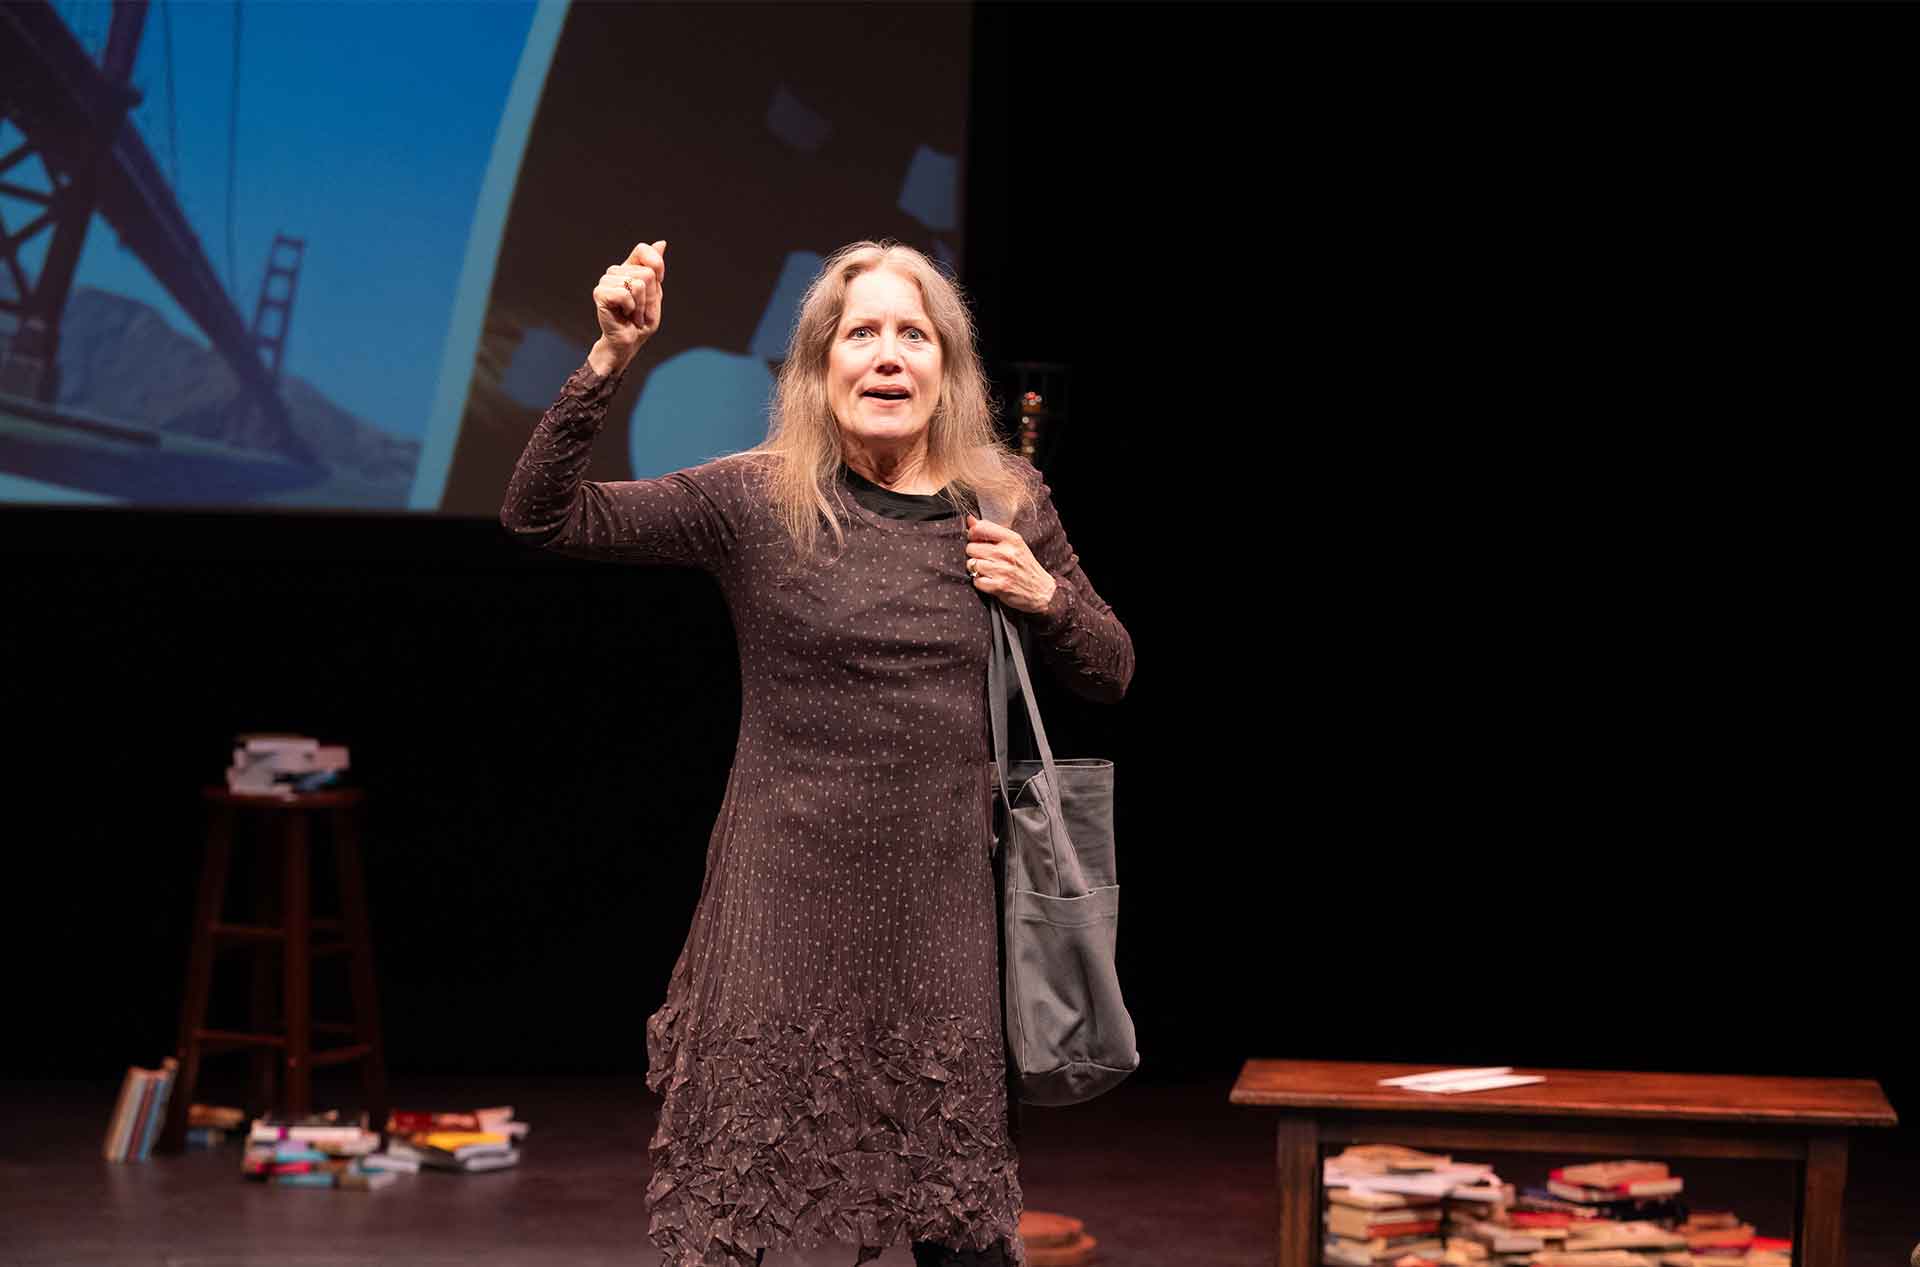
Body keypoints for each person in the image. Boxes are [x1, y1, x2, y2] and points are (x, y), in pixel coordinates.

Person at [500, 238, 1134, 1267]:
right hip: (781, 922)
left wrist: (1044, 596)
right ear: (817, 367)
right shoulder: (758, 498)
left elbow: (1111, 668)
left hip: (939, 929)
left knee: (958, 1233)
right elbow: (540, 516)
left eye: (914, 334)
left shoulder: (1003, 498)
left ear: (948, 366)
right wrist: (610, 357)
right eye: (862, 333)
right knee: (756, 1228)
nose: (888, 355)